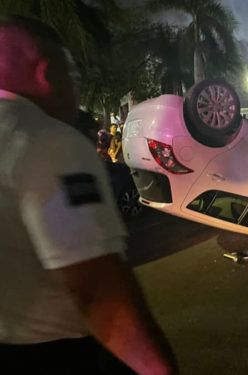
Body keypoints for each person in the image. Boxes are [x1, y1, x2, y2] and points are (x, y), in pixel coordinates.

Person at [0, 16, 177, 374]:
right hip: (52, 356)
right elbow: (97, 293)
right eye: (74, 77)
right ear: (46, 73)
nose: (76, 90)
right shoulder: (49, 140)